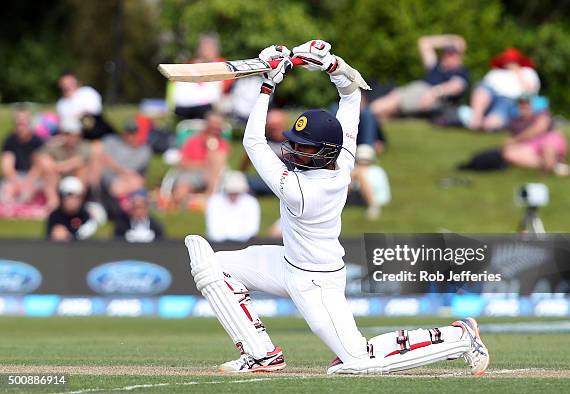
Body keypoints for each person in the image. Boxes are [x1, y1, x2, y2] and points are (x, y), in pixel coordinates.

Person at [183, 41, 489, 375]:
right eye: (294, 144)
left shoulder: (301, 190)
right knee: (213, 268)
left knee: (358, 360)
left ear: (323, 152)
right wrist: (332, 67)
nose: (293, 152)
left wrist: (268, 84)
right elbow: (352, 94)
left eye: (303, 148)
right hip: (287, 262)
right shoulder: (342, 157)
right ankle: (261, 354)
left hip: (316, 281)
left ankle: (459, 336)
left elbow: (252, 142)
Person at [370, 34, 469, 120]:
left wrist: (434, 93)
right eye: (447, 52)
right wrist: (450, 40)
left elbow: (456, 87)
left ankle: (365, 114)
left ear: (460, 56)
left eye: (453, 53)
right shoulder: (436, 66)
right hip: (418, 91)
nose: (448, 56)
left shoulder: (460, 72)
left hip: (427, 94)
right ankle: (367, 117)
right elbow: (424, 42)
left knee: (381, 106)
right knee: (388, 105)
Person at [463, 48, 540, 131]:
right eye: (508, 60)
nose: (510, 63)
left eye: (513, 61)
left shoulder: (527, 72)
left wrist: (517, 73)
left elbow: (530, 91)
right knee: (482, 88)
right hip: (492, 99)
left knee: (492, 122)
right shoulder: (495, 73)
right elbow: (484, 88)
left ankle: (488, 123)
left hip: (512, 101)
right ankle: (476, 120)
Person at [35, 117, 96, 209]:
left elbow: (77, 162)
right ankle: (53, 203)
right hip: (59, 178)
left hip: (77, 179)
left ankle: (78, 203)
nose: (70, 137)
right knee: (47, 168)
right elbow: (39, 157)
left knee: (83, 169)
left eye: (73, 134)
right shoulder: (55, 145)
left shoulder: (84, 146)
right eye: (67, 134)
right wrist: (55, 166)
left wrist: (56, 166)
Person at [172, 111, 229, 207]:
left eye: (218, 124)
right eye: (213, 124)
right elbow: (182, 163)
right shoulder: (193, 141)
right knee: (184, 184)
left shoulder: (222, 144)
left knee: (217, 161)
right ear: (207, 124)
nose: (215, 127)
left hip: (212, 175)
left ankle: (209, 199)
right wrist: (202, 164)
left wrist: (211, 150)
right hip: (192, 172)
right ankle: (186, 202)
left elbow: (220, 165)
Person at [502, 95, 569, 176]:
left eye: (526, 103)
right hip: (530, 144)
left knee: (548, 148)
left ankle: (550, 163)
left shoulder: (541, 113)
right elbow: (512, 139)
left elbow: (540, 128)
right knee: (509, 154)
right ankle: (553, 165)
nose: (524, 105)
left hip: (548, 137)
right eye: (521, 103)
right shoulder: (515, 121)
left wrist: (516, 139)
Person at [171, 33, 228, 120]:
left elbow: (223, 91)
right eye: (204, 48)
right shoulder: (190, 65)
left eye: (209, 48)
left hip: (210, 107)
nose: (206, 51)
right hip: (187, 106)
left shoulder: (223, 66)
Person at [1, 104, 44, 204]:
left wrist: (27, 183)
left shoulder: (37, 141)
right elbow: (7, 167)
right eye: (19, 122)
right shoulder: (9, 140)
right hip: (15, 177)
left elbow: (38, 167)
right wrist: (17, 182)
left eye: (24, 122)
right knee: (6, 195)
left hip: (33, 178)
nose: (21, 125)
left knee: (26, 195)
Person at [239, 108, 286, 195]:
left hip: (286, 179)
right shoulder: (263, 141)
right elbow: (246, 159)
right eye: (272, 127)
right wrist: (241, 175)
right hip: (267, 179)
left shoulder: (291, 142)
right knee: (242, 182)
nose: (274, 130)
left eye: (277, 126)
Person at [100, 122, 152, 200]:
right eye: (128, 133)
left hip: (130, 177)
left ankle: (126, 204)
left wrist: (129, 176)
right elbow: (102, 157)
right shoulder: (111, 140)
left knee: (136, 184)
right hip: (110, 174)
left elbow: (141, 174)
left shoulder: (145, 150)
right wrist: (121, 170)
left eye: (133, 133)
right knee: (118, 188)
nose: (130, 136)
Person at [57, 71, 115, 140]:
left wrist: (76, 117)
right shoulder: (61, 103)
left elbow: (94, 111)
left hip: (94, 128)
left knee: (88, 120)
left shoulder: (87, 92)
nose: (67, 86)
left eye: (69, 82)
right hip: (74, 132)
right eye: (64, 84)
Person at [206, 171, 260, 242]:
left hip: (244, 245)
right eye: (231, 192)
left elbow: (252, 230)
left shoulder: (251, 202)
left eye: (236, 192)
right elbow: (214, 231)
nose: (233, 195)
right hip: (219, 245)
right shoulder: (215, 202)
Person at [46, 176, 99, 241]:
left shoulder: (85, 215)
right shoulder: (55, 215)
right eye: (68, 195)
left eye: (75, 196)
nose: (72, 200)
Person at [348, 144, 391, 220]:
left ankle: (373, 206)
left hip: (373, 198)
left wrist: (359, 176)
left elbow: (377, 189)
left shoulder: (376, 171)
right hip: (353, 196)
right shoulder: (353, 170)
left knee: (359, 175)